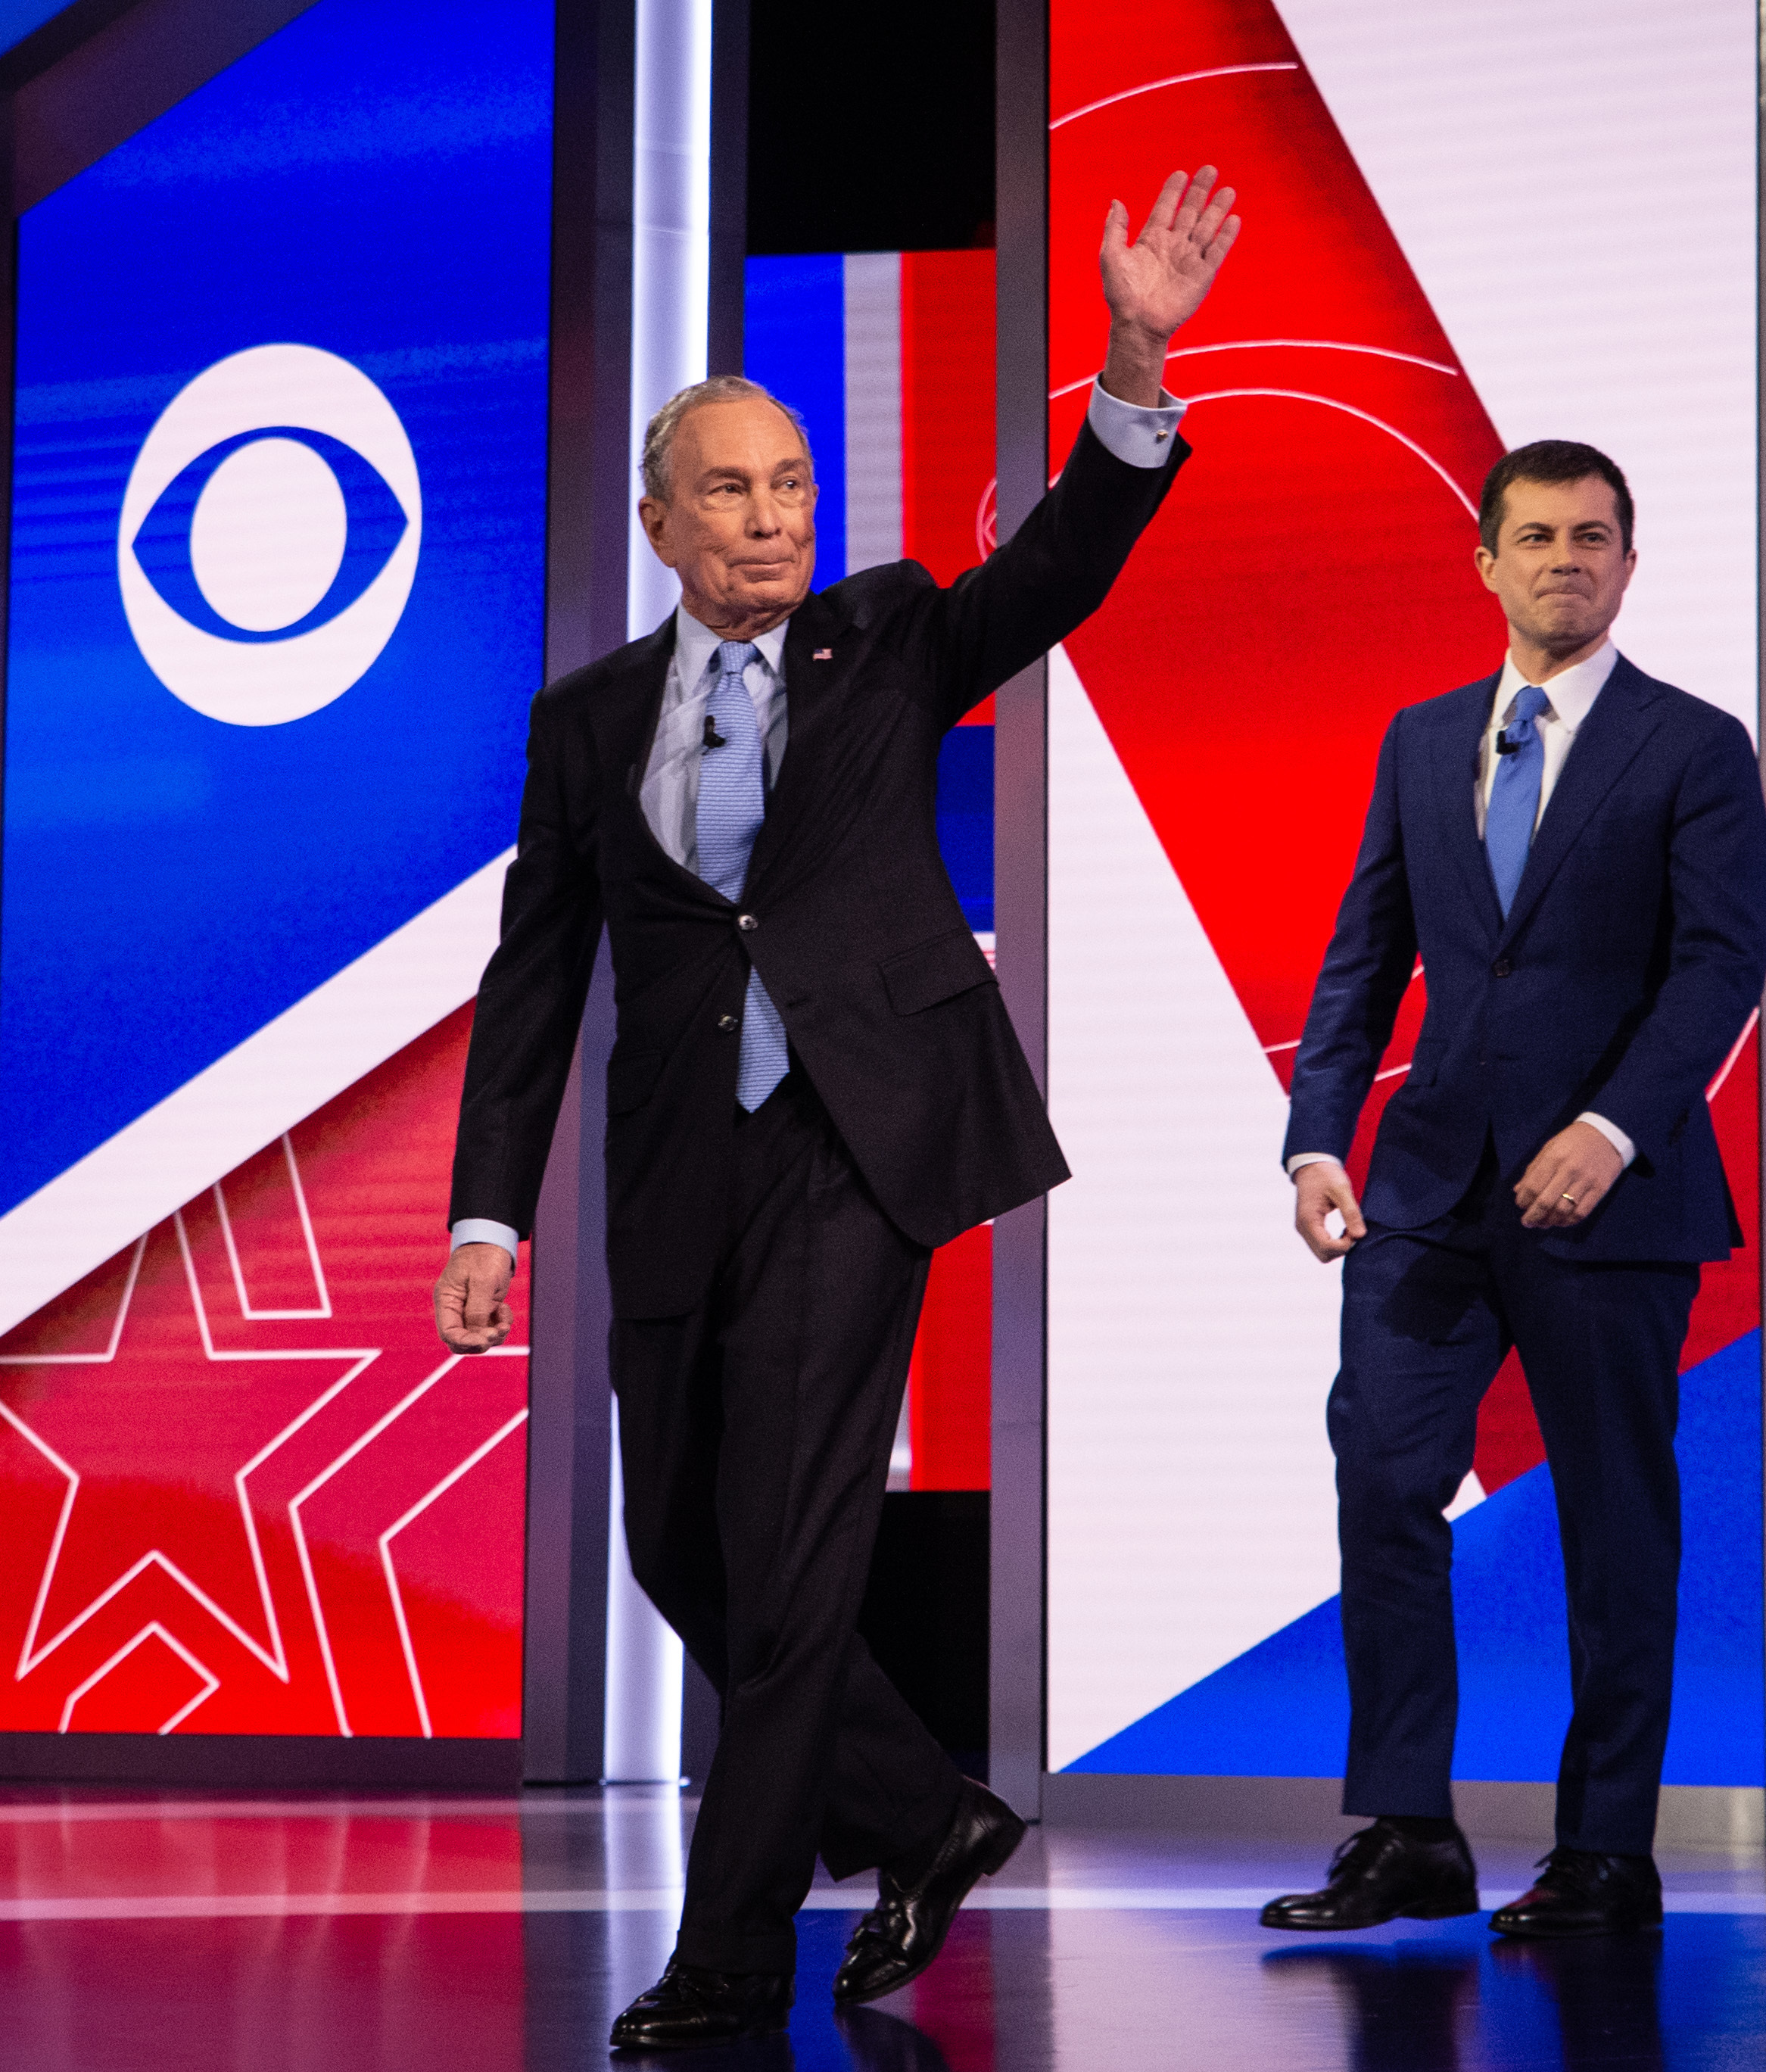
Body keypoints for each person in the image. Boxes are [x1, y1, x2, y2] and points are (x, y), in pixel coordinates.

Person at [432, 169, 1241, 2049]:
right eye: (730, 488)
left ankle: (728, 1960)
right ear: (656, 523)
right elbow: (535, 975)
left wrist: (1134, 359)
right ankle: (924, 1808)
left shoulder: (883, 638)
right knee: (679, 1552)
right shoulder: (585, 719)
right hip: (670, 1174)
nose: (771, 515)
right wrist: (490, 1213)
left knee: (793, 1553)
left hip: (850, 1149)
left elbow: (1058, 569)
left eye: (790, 482)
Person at [1263, 441, 1766, 1940]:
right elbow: (1365, 956)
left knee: (1617, 1520)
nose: (1566, 558)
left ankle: (1608, 1850)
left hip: (1611, 1199)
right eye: (1537, 535)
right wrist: (1314, 1141)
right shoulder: (1423, 740)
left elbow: (1718, 965)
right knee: (1382, 1481)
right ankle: (1407, 1825)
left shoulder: (1693, 744)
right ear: (1484, 561)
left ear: (1627, 564)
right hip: (1426, 1194)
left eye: (1594, 537)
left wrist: (1612, 1126)